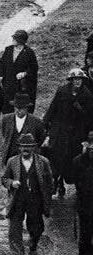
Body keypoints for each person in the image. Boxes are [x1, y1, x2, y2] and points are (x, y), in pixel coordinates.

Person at [2, 134, 53, 255]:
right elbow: (4, 179)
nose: (26, 149)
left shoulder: (43, 162)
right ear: (19, 147)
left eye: (29, 147)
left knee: (37, 228)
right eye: (23, 146)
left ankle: (33, 244)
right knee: (14, 230)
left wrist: (47, 200)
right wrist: (12, 183)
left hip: (35, 200)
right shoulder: (12, 162)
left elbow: (49, 183)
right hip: (17, 200)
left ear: (34, 148)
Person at [42, 68, 93, 198]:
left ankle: (67, 182)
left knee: (72, 158)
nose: (77, 82)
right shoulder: (62, 91)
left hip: (76, 133)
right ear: (71, 80)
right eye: (75, 79)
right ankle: (55, 180)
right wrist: (45, 123)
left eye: (80, 79)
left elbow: (89, 117)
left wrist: (88, 135)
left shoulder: (87, 95)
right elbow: (52, 108)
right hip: (60, 130)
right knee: (56, 156)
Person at [0, 29, 38, 115]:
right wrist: (0, 75)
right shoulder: (9, 49)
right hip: (8, 82)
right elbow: (1, 63)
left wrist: (25, 73)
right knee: (7, 103)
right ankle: (8, 119)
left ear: (20, 41)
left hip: (21, 85)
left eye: (15, 38)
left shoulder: (29, 53)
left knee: (20, 103)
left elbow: (34, 68)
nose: (13, 40)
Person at [0, 93, 46, 166]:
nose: (18, 110)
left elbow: (40, 139)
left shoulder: (36, 122)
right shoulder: (6, 119)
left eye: (21, 108)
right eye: (16, 108)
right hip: (10, 156)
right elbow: (5, 134)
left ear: (27, 108)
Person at [73, 132, 93, 255]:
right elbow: (77, 183)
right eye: (90, 145)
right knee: (85, 237)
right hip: (85, 205)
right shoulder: (78, 162)